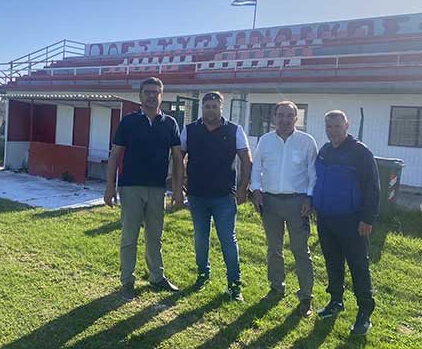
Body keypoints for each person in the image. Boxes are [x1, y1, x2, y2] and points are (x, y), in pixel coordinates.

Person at [104, 77, 184, 301]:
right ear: (140, 95)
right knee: (129, 237)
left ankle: (156, 277)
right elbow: (115, 155)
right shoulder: (128, 122)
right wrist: (110, 186)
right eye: (147, 92)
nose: (151, 96)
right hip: (131, 187)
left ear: (161, 96)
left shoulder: (170, 123)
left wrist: (178, 188)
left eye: (155, 92)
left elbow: (177, 158)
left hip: (157, 189)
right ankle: (127, 281)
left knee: (155, 237)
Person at [180, 91, 252, 301]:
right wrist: (181, 180)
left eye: (214, 106)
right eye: (207, 106)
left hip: (224, 196)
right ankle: (203, 274)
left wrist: (243, 188)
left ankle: (234, 284)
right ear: (202, 108)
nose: (210, 110)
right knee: (200, 237)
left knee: (228, 239)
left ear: (221, 107)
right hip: (197, 195)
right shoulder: (189, 130)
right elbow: (178, 157)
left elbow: (246, 160)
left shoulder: (235, 130)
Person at [313, 110, 380, 335]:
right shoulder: (324, 151)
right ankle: (336, 301)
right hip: (326, 218)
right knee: (333, 262)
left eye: (337, 126)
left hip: (352, 221)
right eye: (329, 126)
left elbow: (373, 188)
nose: (333, 131)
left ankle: (364, 313)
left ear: (347, 126)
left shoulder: (360, 152)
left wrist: (367, 219)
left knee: (358, 265)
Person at [250, 101, 317, 317]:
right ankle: (276, 287)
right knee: (274, 248)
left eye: (289, 116)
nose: (285, 120)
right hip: (270, 202)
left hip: (298, 203)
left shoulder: (306, 142)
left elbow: (313, 173)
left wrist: (310, 197)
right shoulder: (266, 140)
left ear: (296, 119)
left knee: (300, 250)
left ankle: (306, 296)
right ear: (274, 117)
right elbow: (256, 167)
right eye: (280, 115)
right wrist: (256, 190)